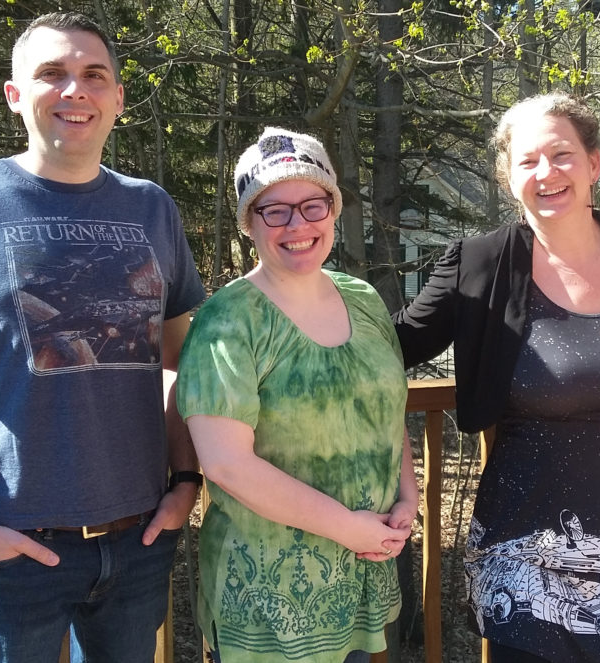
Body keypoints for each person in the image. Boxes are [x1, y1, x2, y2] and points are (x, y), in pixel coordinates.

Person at [0, 11, 205, 662]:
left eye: (93, 75)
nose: (75, 89)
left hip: (137, 544)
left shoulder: (153, 207)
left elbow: (180, 360)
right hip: (13, 549)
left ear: (118, 99)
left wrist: (185, 482)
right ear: (16, 95)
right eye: (53, 74)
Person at [393, 92, 600, 663]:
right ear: (509, 178)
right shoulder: (478, 264)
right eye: (527, 161)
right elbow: (390, 346)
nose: (546, 173)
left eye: (561, 155)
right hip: (523, 534)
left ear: (594, 165)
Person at [175, 126, 418, 663]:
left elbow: (386, 409)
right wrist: (352, 527)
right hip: (267, 602)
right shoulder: (227, 322)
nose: (297, 225)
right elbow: (227, 466)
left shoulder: (364, 300)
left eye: (312, 205)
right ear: (248, 224)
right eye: (274, 210)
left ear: (333, 210)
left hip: (358, 583)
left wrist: (407, 495)